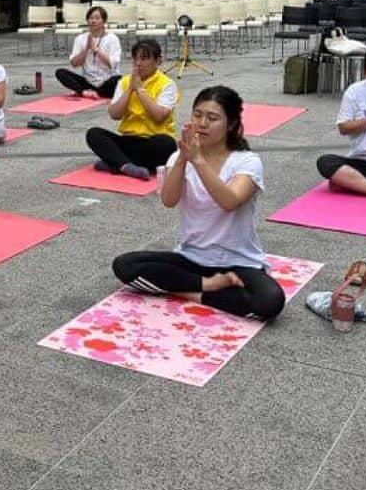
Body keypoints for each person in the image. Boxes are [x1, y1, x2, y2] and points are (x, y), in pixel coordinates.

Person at [113, 86, 285, 321]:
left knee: (270, 301)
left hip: (237, 261)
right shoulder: (179, 157)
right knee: (125, 265)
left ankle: (192, 293)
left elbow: (229, 201)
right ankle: (208, 285)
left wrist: (198, 160)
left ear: (231, 125)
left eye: (212, 118)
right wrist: (184, 159)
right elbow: (169, 200)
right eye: (197, 115)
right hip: (191, 258)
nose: (202, 123)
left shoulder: (247, 162)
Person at [85, 38, 178, 180]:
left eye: (144, 59)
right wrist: (129, 90)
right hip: (129, 140)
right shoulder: (125, 82)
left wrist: (140, 89)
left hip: (152, 141)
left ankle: (115, 162)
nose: (138, 63)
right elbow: (114, 114)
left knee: (168, 144)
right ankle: (126, 166)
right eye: (136, 59)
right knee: (94, 134)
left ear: (158, 61)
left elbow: (159, 116)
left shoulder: (168, 84)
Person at [316, 45, 366, 195]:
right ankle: (363, 185)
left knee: (337, 183)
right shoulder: (355, 91)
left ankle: (353, 183)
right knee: (325, 162)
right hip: (362, 161)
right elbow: (343, 128)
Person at [54, 6, 121, 99]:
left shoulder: (112, 38)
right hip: (88, 82)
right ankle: (85, 92)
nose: (93, 21)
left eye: (97, 18)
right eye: (91, 18)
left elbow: (112, 64)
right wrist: (86, 49)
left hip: (107, 82)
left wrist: (96, 50)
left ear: (104, 21)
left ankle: (91, 92)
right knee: (60, 73)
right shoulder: (80, 38)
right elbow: (74, 64)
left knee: (119, 80)